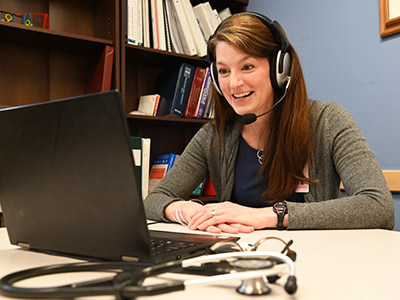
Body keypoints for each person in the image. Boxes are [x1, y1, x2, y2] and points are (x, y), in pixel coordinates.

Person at [144, 12, 394, 234]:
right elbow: (154, 200)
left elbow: (378, 206)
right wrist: (186, 211)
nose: (234, 83)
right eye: (223, 71)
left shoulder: (328, 120)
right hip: (241, 261)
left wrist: (265, 216)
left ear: (280, 69)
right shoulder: (213, 136)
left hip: (316, 261)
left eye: (248, 66)